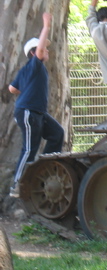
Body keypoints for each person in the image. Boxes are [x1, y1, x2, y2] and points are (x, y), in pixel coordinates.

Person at [8, 13, 64, 198]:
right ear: (34, 52)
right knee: (29, 149)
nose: (46, 51)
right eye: (42, 49)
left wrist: (26, 89)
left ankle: (42, 170)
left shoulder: (28, 70)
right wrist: (46, 25)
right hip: (28, 112)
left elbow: (12, 88)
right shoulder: (34, 65)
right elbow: (40, 51)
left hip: (37, 112)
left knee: (57, 133)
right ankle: (17, 185)